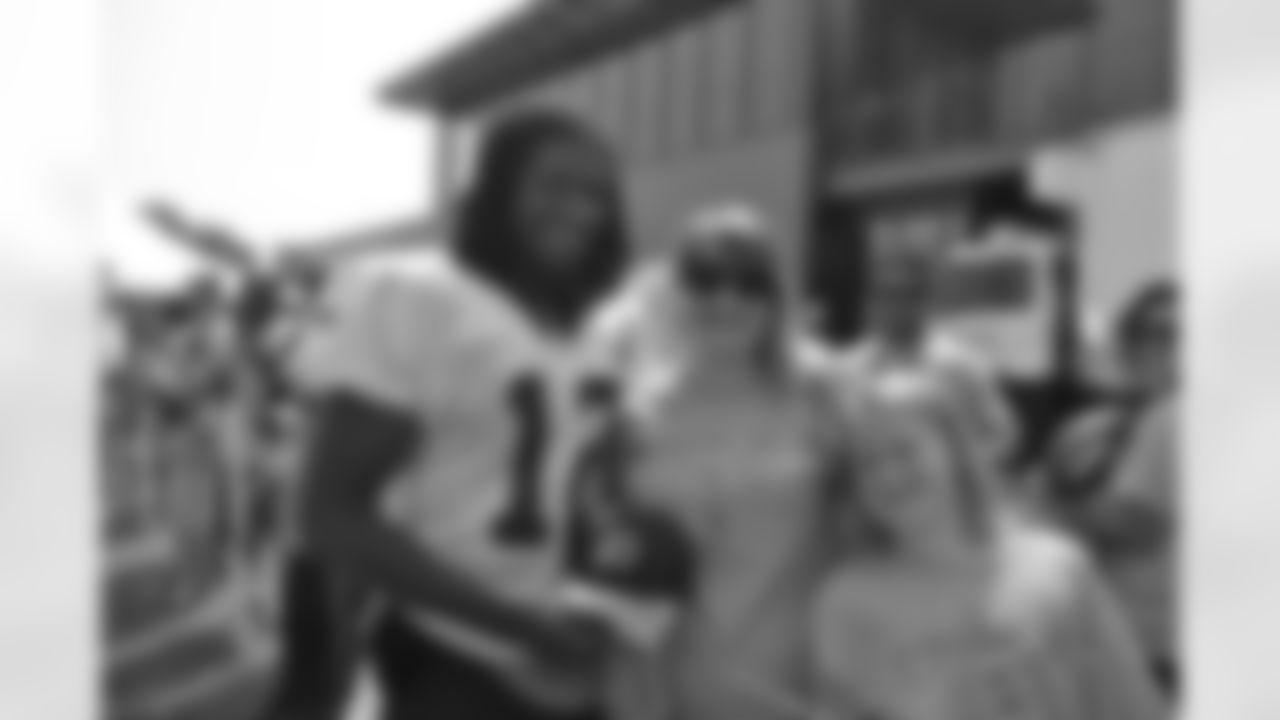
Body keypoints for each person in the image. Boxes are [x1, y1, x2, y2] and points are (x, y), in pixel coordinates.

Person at [278, 109, 633, 720]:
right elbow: (332, 514)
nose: (578, 209)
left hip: (566, 647)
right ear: (497, 188)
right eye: (554, 185)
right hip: (454, 651)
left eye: (595, 194)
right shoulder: (417, 292)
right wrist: (518, 624)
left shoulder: (592, 334)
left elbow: (585, 493)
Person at [811, 371, 1167, 720]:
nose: (887, 474)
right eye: (866, 464)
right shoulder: (847, 600)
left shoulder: (1059, 568)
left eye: (904, 450)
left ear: (955, 449)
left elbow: (1124, 699)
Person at [599, 205, 836, 720]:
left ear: (775, 297)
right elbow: (619, 568)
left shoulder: (823, 389)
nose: (727, 299)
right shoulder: (638, 414)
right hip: (671, 690)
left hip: (801, 688)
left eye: (750, 281)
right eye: (704, 278)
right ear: (675, 291)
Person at [1036, 280, 1179, 696]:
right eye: (1158, 333)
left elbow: (1138, 524)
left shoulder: (1182, 416)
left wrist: (1045, 516)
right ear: (1128, 347)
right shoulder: (1095, 429)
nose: (1175, 348)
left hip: (1159, 648)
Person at [836, 239, 1017, 473]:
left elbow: (1002, 435)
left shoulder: (962, 366)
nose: (896, 305)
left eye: (906, 294)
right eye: (886, 294)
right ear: (873, 301)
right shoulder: (849, 368)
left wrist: (963, 472)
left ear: (924, 299)